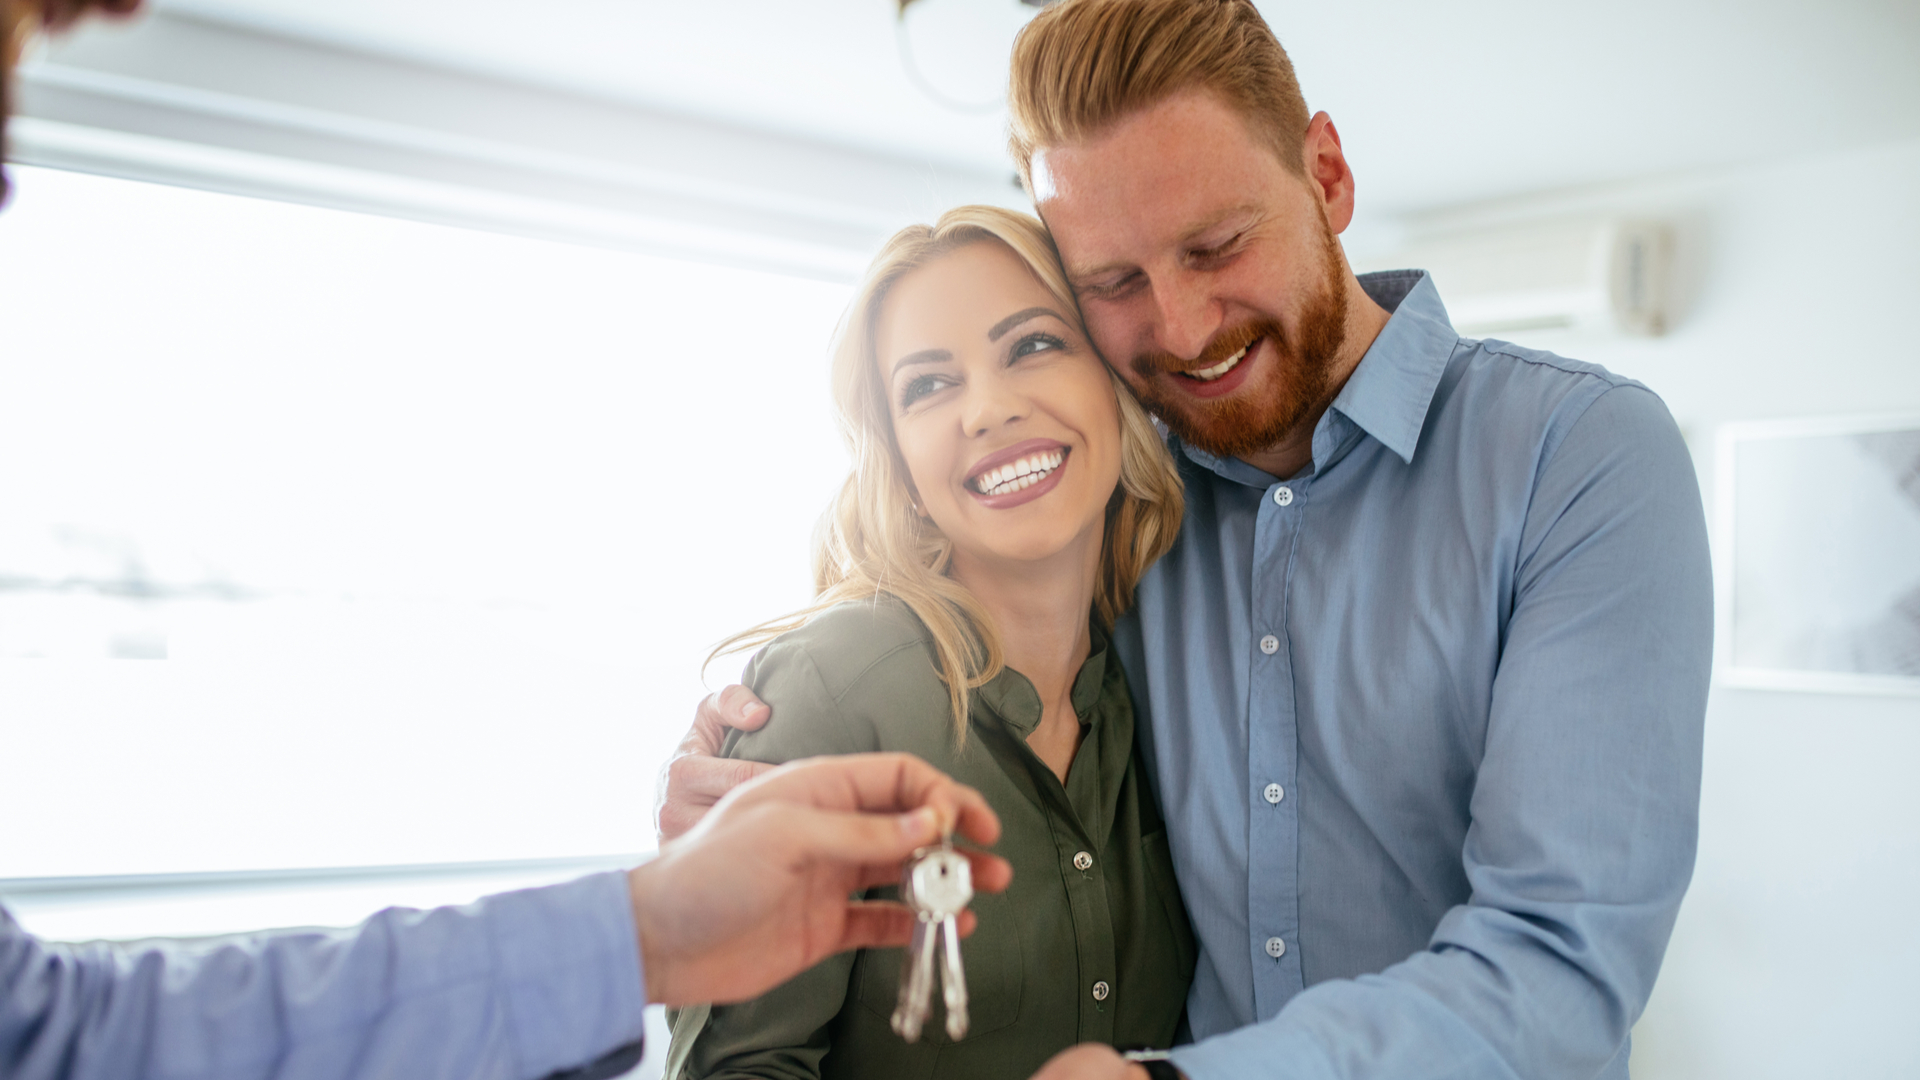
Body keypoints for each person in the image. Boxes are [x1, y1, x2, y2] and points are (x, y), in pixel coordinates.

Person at [659, 1, 1717, 1078]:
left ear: (1329, 177)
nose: (1182, 327)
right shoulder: (1128, 506)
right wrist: (745, 766)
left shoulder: (1575, 456)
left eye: (1216, 245)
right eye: (1113, 285)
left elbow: (1562, 963)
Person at [0, 5, 1013, 1079]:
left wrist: (648, 931)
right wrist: (645, 933)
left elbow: (65, 1037)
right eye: (930, 382)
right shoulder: (823, 682)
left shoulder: (1152, 636)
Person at [663, 206, 1193, 1079]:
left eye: (1031, 346)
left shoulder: (1167, 666)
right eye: (928, 386)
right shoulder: (829, 694)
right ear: (901, 469)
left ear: (1116, 384)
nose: (986, 410)